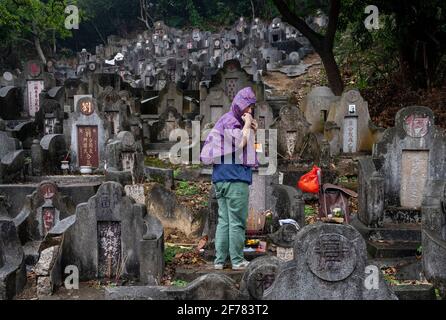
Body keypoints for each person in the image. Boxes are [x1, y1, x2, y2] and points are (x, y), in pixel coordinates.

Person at [200, 87, 258, 270]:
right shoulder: (233, 122)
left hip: (221, 178)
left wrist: (252, 129)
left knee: (224, 220)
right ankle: (238, 261)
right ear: (240, 105)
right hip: (235, 178)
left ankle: (219, 262)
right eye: (248, 107)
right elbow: (240, 143)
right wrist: (248, 126)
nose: (250, 112)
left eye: (251, 108)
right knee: (237, 222)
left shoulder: (226, 119)